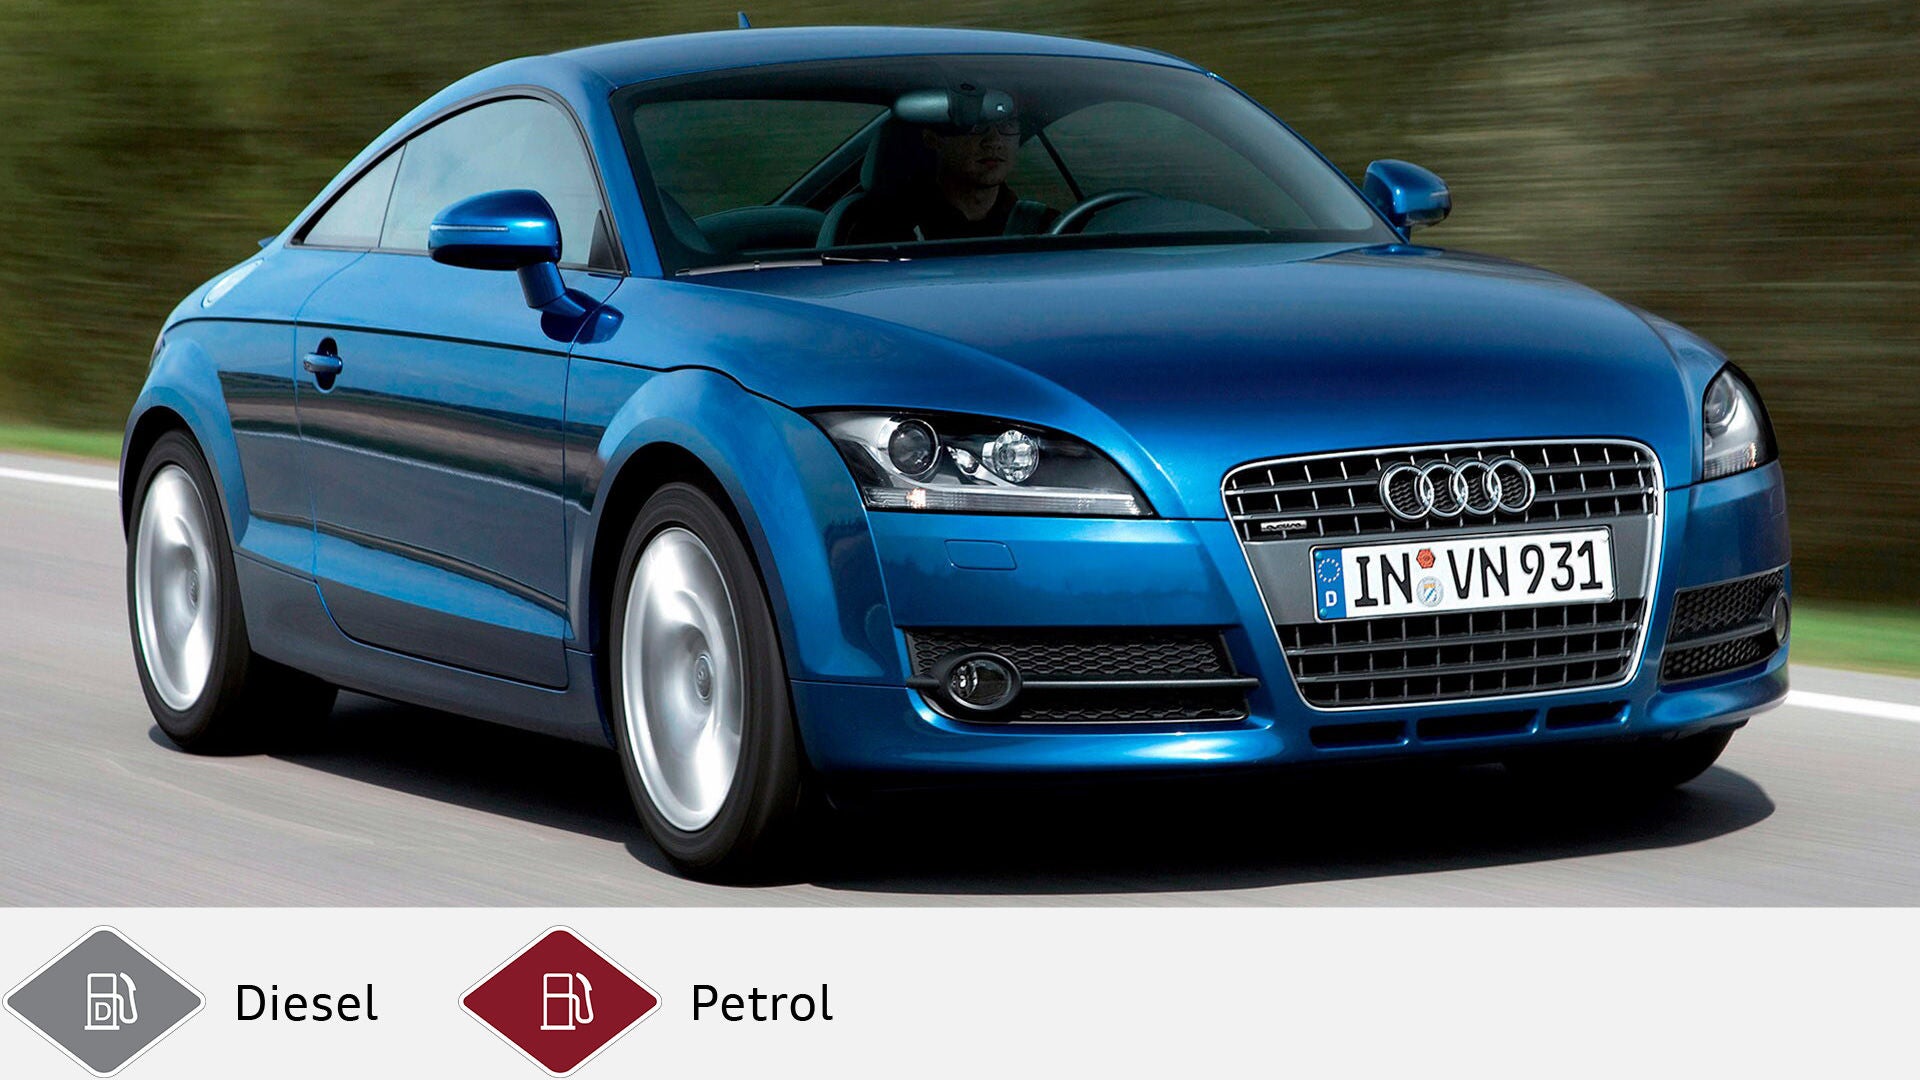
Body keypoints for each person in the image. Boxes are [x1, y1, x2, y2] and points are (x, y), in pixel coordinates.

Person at [842, 110, 1057, 244]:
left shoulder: (1050, 228)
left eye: (1008, 125)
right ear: (933, 139)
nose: (994, 140)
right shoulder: (882, 231)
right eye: (975, 125)